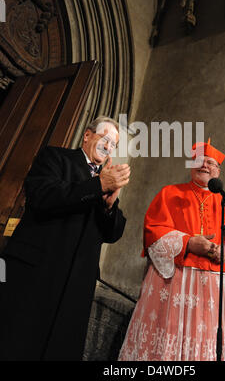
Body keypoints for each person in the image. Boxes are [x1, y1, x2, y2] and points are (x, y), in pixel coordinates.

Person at [0, 116, 130, 361]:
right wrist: (97, 185)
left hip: (75, 285)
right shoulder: (56, 157)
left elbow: (113, 233)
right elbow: (42, 197)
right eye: (105, 138)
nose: (108, 147)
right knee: (16, 343)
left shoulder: (105, 181)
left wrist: (110, 205)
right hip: (37, 274)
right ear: (87, 136)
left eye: (113, 144)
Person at [118, 139, 225, 361]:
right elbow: (153, 232)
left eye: (211, 163)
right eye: (200, 160)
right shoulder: (169, 193)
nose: (205, 165)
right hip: (173, 282)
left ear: (218, 170)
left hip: (212, 289)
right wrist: (189, 243)